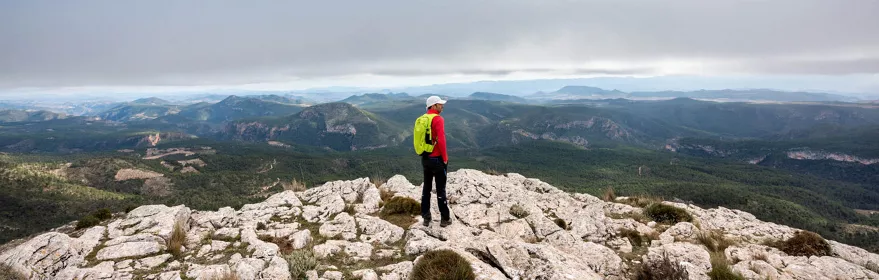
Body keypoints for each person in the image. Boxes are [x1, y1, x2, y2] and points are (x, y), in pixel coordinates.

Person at [413, 96, 451, 227]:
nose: (442, 106)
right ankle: (445, 218)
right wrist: (445, 158)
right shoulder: (438, 119)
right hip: (437, 159)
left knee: (426, 188)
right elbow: (441, 140)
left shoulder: (423, 119)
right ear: (433, 106)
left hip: (425, 158)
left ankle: (426, 217)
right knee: (441, 190)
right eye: (440, 104)